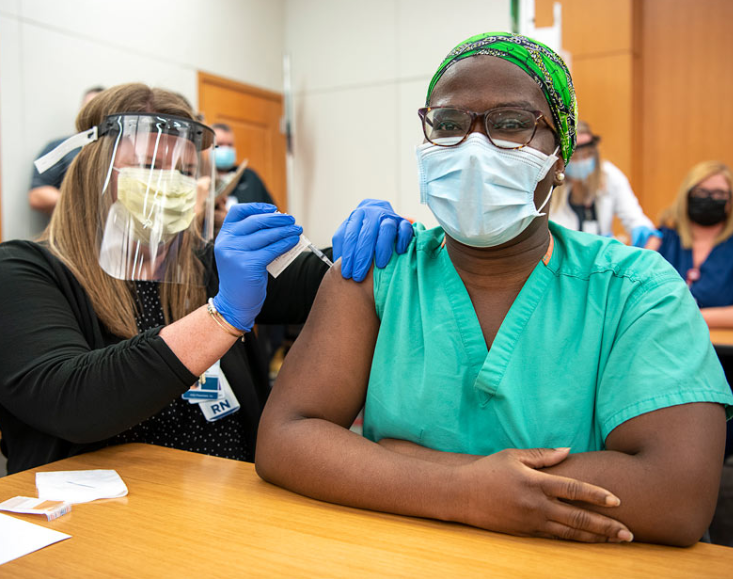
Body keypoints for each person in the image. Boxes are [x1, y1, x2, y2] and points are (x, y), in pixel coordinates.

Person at [255, 32, 733, 547]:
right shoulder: (381, 271)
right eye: (449, 124)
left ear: (559, 157)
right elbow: (285, 439)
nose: (474, 148)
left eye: (511, 125)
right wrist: (462, 490)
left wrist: (415, 465)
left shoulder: (634, 290)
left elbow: (677, 495)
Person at [0, 83, 413, 475]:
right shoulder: (20, 272)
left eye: (186, 171)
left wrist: (377, 242)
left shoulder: (205, 266)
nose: (170, 183)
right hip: (96, 527)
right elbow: (75, 402)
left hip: (234, 512)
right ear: (94, 171)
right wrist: (222, 316)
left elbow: (323, 280)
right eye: (149, 164)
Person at [646, 161, 733, 329]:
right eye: (701, 192)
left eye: (719, 194)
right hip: (663, 342)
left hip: (721, 348)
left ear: (730, 201)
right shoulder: (660, 239)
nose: (710, 199)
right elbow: (638, 296)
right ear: (687, 195)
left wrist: (685, 315)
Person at [548, 120, 658, 246]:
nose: (582, 160)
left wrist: (646, 240)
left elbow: (638, 223)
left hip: (601, 258)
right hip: (561, 257)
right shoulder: (550, 182)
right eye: (575, 156)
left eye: (587, 154)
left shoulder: (610, 176)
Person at [28, 86, 104, 214]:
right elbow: (36, 195)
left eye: (98, 109)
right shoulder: (60, 148)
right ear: (80, 111)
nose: (92, 114)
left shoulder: (120, 151)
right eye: (88, 107)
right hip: (68, 226)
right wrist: (81, 201)